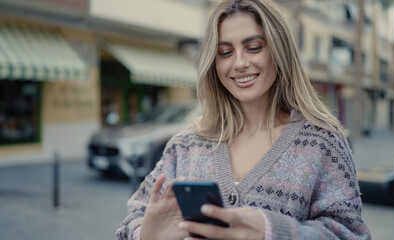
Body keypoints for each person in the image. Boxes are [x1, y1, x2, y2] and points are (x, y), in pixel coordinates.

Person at [116, 0, 371, 239]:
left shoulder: (323, 143)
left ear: (278, 51)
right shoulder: (185, 146)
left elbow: (352, 234)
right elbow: (132, 220)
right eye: (225, 52)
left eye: (253, 48)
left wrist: (269, 230)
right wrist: (145, 235)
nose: (239, 63)